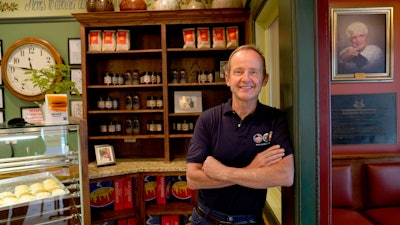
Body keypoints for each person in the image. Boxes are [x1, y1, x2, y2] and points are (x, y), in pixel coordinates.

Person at [186, 44, 294, 225]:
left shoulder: (275, 119)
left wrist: (222, 172)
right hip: (206, 219)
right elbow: (193, 179)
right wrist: (253, 169)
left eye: (254, 72)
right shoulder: (208, 119)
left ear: (264, 79)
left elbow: (284, 175)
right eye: (238, 72)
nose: (246, 78)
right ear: (227, 78)